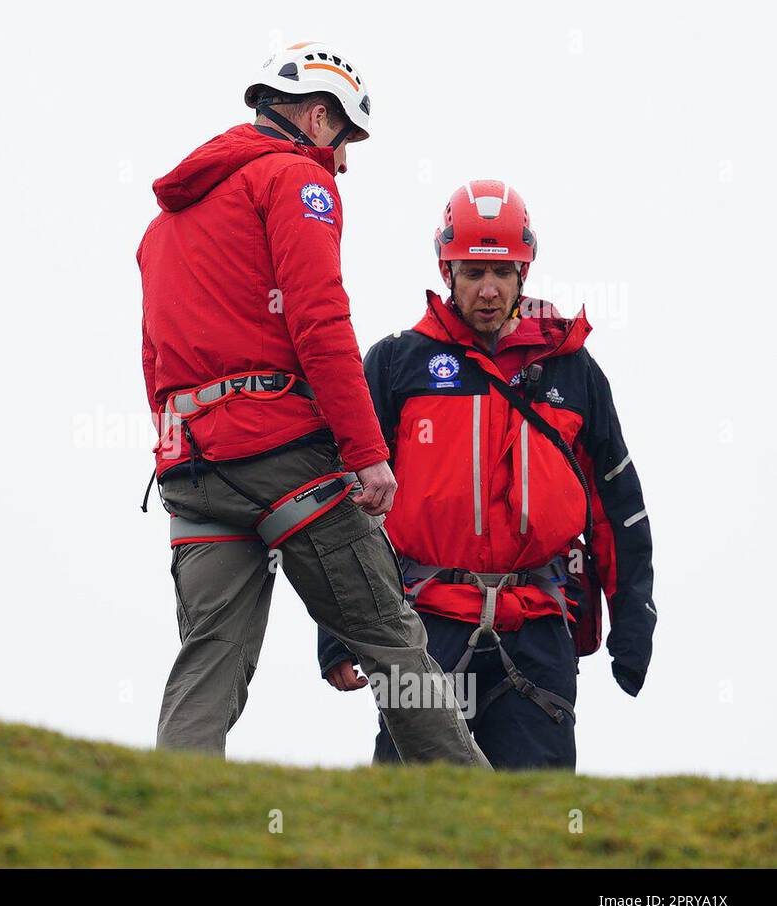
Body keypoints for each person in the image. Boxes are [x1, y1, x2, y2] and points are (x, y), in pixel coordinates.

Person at [138, 42, 488, 766]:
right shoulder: (298, 180)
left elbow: (155, 355)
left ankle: (167, 819)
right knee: (394, 643)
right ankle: (480, 817)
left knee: (208, 663)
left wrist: (183, 447)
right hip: (286, 462)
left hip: (192, 471)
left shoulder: (166, 222)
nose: (346, 163)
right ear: (319, 116)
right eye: (347, 139)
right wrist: (367, 454)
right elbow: (320, 321)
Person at [318, 180, 655, 769]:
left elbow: (618, 505)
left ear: (526, 271)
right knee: (406, 816)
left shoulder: (573, 372)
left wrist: (633, 623)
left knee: (538, 821)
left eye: (503, 272)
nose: (489, 290)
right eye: (473, 271)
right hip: (421, 628)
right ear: (447, 269)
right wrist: (339, 635)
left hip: (541, 625)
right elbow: (344, 505)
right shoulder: (396, 364)